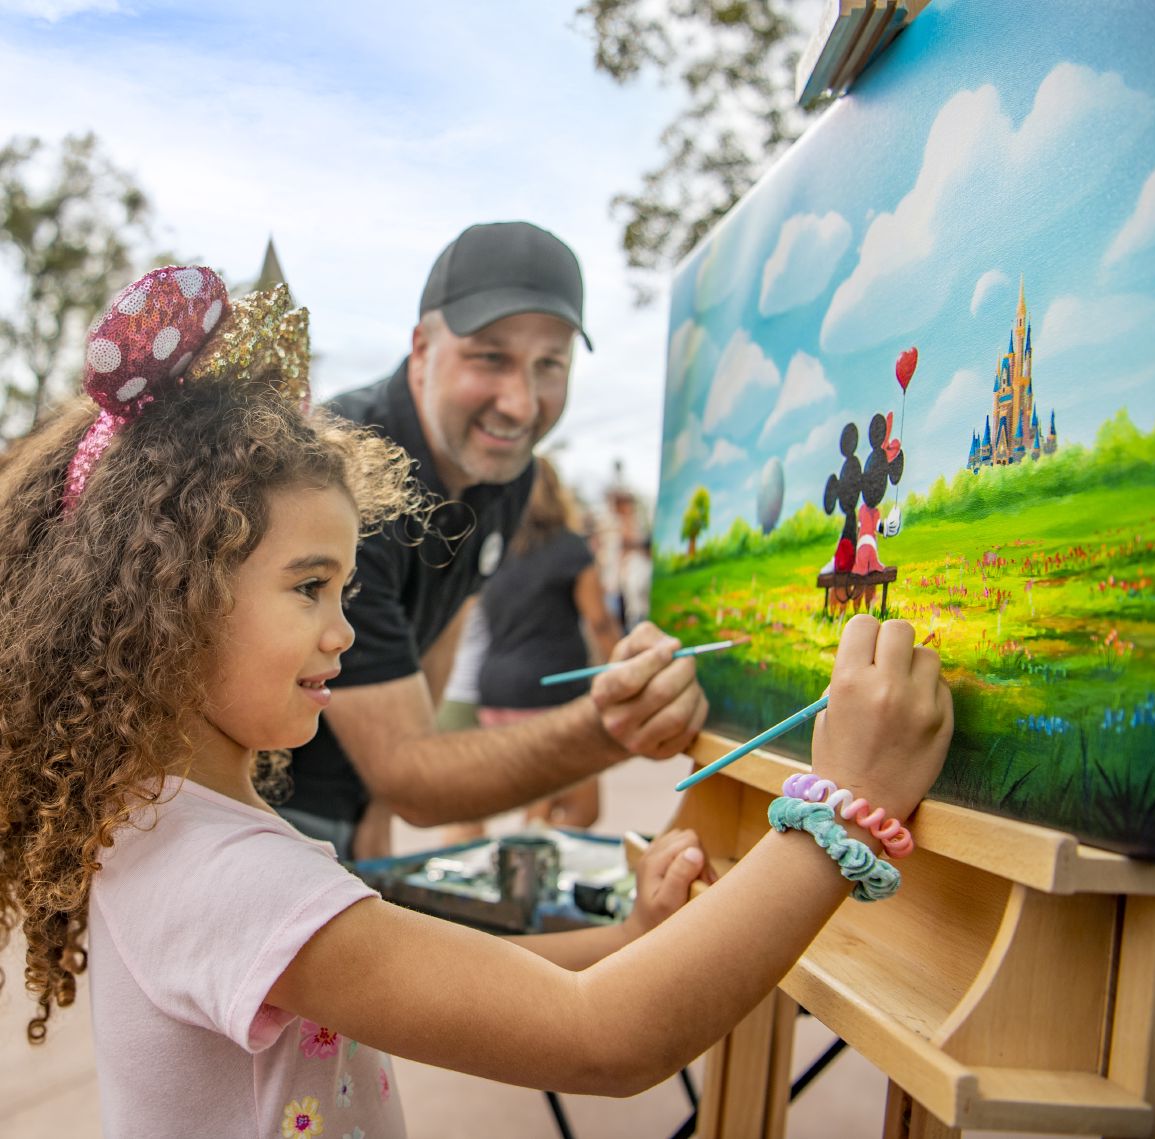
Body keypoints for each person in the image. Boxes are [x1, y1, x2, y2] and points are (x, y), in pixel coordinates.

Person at [0, 268, 954, 1139]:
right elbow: (602, 1040)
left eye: (346, 591)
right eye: (309, 587)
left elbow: (432, 981)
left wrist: (631, 941)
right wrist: (847, 803)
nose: (343, 630)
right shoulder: (226, 878)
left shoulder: (178, 822)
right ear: (173, 603)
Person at [281, 221, 709, 860]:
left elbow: (443, 627)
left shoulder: (507, 473)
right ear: (422, 348)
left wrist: (374, 809)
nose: (521, 403)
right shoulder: (341, 478)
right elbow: (411, 778)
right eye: (491, 357)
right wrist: (613, 724)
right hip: (259, 805)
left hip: (346, 799)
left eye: (549, 365)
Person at [473, 454, 624, 832]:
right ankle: (528, 875)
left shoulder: (497, 549)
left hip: (495, 692)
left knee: (544, 798)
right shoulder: (570, 548)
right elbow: (599, 621)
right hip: (548, 692)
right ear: (557, 492)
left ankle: (529, 866)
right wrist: (623, 670)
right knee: (576, 807)